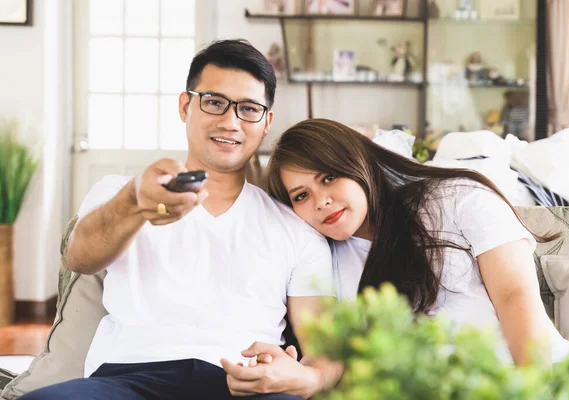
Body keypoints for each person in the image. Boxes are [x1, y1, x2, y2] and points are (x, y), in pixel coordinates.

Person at [21, 41, 342, 400]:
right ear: (185, 105)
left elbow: (325, 347)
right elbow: (80, 257)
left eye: (248, 109)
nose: (230, 121)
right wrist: (135, 203)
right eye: (214, 102)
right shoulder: (118, 192)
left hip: (245, 385)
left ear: (266, 122)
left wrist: (304, 378)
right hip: (126, 381)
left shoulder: (297, 231)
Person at [264, 118, 569, 366]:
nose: (321, 201)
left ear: (358, 162)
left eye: (328, 178)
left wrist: (531, 387)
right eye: (301, 195)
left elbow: (514, 294)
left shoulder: (456, 196)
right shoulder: (319, 261)